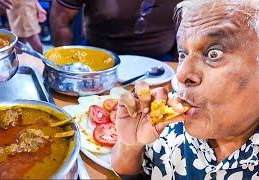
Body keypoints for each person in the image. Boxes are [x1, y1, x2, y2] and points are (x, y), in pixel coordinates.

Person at [111, 0, 259, 179]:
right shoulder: (168, 126)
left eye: (214, 53)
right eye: (182, 54)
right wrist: (130, 146)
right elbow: (130, 173)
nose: (181, 75)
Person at [50, 0, 182, 61]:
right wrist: (66, 65)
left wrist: (181, 60)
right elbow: (60, 18)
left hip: (161, 62)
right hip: (96, 59)